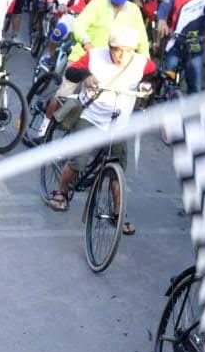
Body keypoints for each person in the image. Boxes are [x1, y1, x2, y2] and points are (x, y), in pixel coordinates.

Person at [44, 26, 154, 228]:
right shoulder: (95, 56)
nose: (122, 55)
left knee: (117, 169)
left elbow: (152, 74)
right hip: (91, 116)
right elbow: (71, 71)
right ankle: (61, 191)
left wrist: (147, 86)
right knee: (78, 160)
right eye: (118, 50)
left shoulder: (140, 62)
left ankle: (118, 214)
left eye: (128, 50)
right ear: (110, 46)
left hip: (118, 123)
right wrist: (85, 74)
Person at [69, 0, 149, 64]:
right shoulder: (98, 2)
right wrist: (86, 42)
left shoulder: (134, 11)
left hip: (114, 63)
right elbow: (80, 24)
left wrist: (146, 63)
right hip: (85, 56)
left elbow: (142, 41)